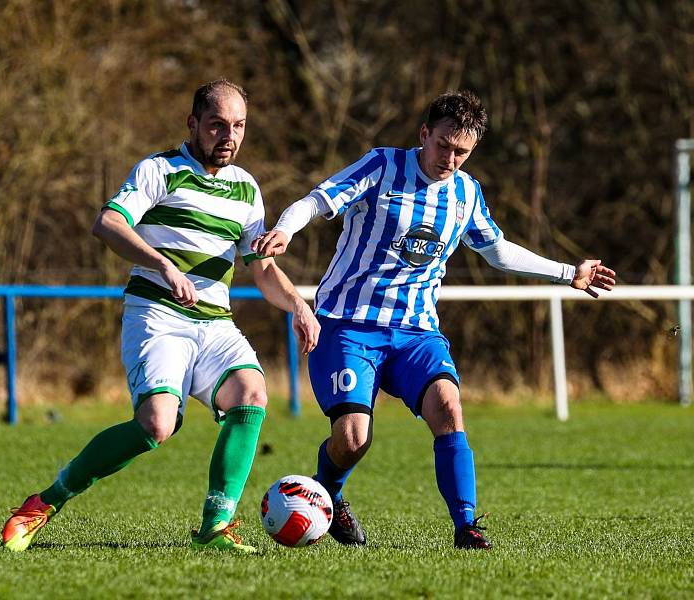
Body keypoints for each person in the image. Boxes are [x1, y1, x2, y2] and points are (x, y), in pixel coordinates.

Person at [252, 90, 616, 549]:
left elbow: (497, 250)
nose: (450, 158)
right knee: (352, 439)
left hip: (416, 332)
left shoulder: (466, 192)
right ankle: (332, 495)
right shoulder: (381, 165)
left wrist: (568, 274)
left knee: (449, 408)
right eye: (443, 144)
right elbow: (318, 200)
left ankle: (466, 527)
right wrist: (285, 228)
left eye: (462, 151)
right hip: (347, 325)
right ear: (424, 134)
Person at [1, 79, 320, 554]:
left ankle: (216, 525)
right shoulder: (160, 170)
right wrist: (163, 263)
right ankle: (45, 501)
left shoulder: (247, 189)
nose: (228, 136)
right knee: (155, 425)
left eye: (238, 126)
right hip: (157, 316)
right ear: (193, 124)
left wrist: (297, 303)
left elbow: (261, 268)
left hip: (215, 324)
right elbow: (107, 223)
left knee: (251, 394)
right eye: (216, 125)